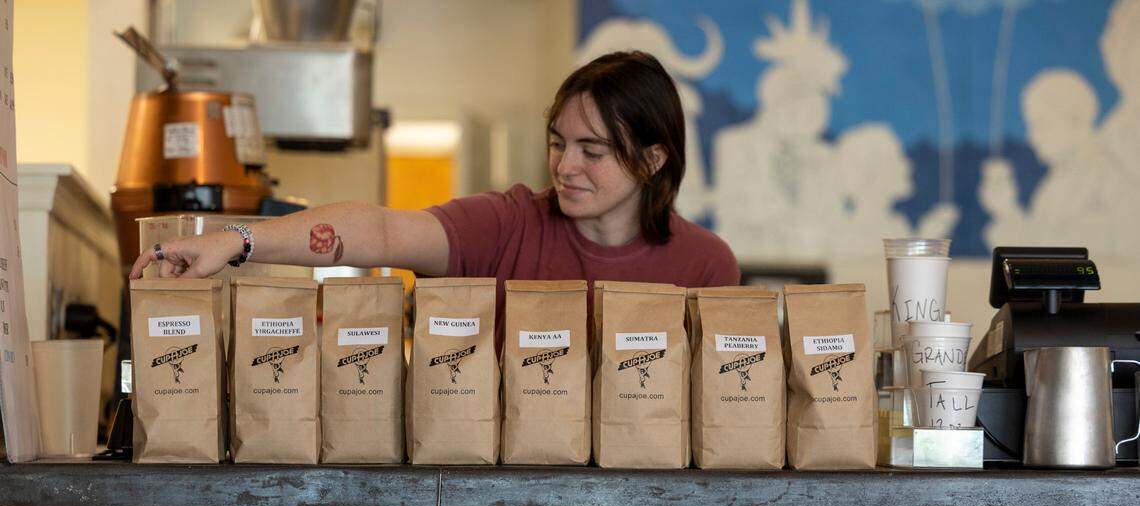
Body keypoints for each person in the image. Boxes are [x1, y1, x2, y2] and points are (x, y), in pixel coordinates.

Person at [129, 51, 740, 322]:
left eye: (593, 150)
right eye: (558, 142)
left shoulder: (706, 267)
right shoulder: (508, 224)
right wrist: (235, 240)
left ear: (654, 159)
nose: (565, 166)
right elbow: (381, 229)